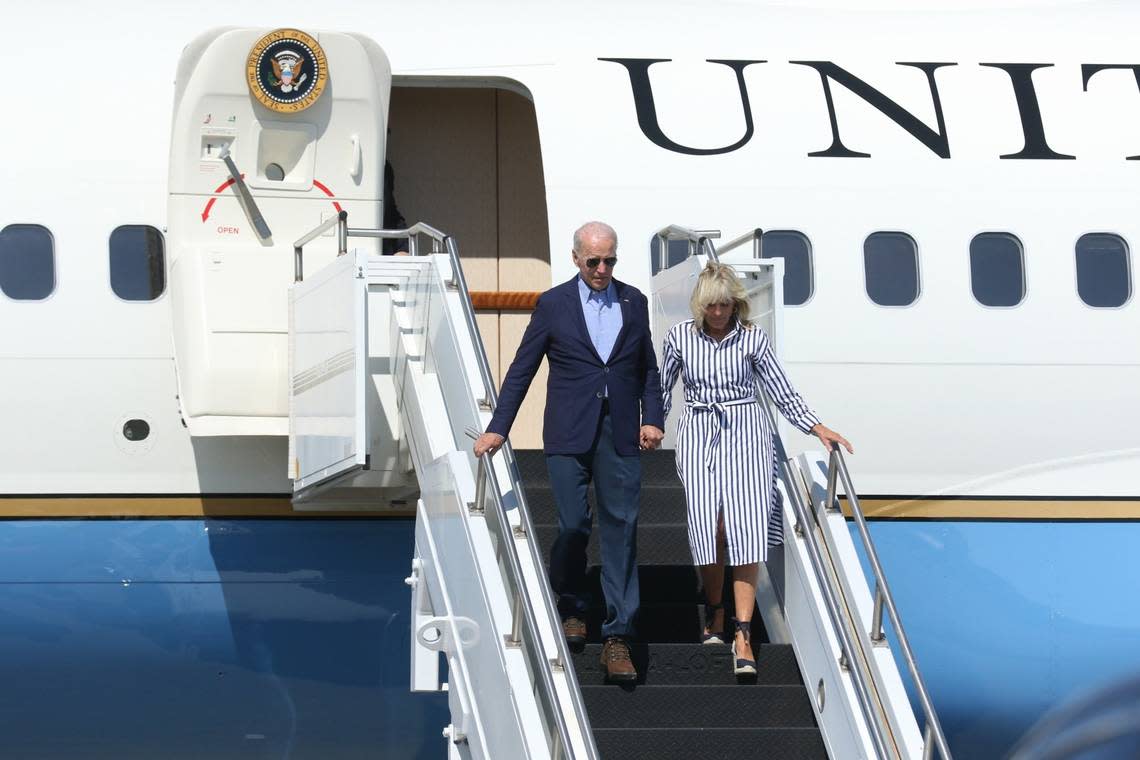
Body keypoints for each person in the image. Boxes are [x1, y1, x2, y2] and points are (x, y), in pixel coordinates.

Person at [473, 221, 665, 682]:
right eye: (594, 260)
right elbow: (522, 369)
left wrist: (653, 417)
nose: (602, 269)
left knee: (622, 528)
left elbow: (647, 369)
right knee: (574, 524)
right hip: (567, 432)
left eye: (610, 260)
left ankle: (618, 636)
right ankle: (572, 602)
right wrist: (499, 428)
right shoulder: (553, 304)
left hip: (619, 433)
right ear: (576, 258)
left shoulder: (633, 301)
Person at [659, 261, 851, 676]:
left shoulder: (752, 340)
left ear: (736, 304)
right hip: (698, 432)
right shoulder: (679, 338)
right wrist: (650, 426)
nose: (719, 313)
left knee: (746, 527)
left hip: (746, 432)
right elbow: (662, 388)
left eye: (726, 305)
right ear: (700, 304)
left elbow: (782, 390)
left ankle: (743, 632)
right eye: (712, 305)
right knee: (711, 526)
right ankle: (715, 609)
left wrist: (817, 427)